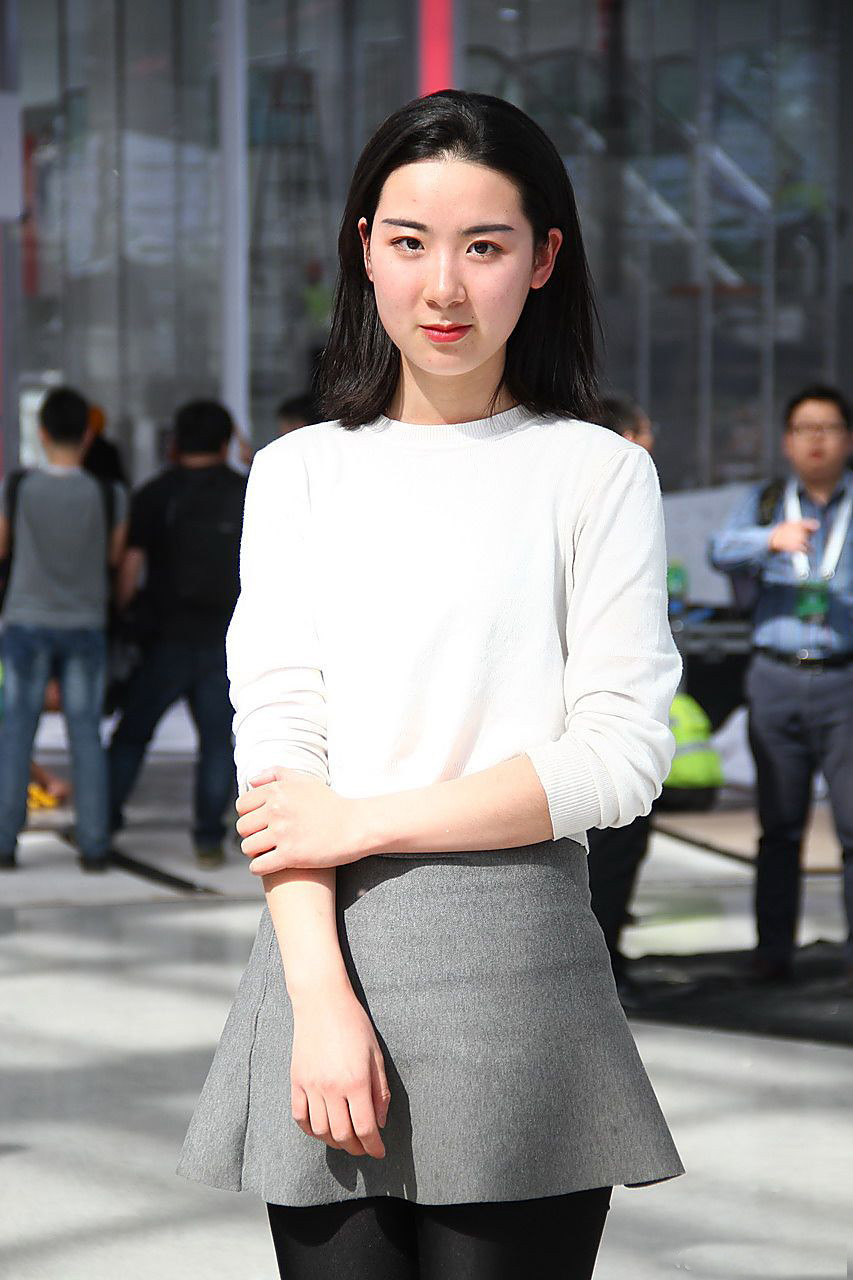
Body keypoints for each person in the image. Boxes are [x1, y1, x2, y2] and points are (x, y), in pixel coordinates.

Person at [178, 91, 683, 1278]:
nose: (443, 287)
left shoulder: (594, 472)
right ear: (364, 249)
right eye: (409, 242)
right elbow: (280, 742)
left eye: (483, 246)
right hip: (321, 950)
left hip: (521, 964)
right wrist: (318, 996)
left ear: (543, 258)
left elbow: (620, 755)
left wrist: (363, 821)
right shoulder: (298, 473)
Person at [709, 384, 853, 985]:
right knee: (779, 826)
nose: (816, 440)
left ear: (847, 439)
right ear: (787, 442)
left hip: (844, 679)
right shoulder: (768, 501)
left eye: (828, 428)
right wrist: (769, 539)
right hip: (775, 675)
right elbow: (719, 549)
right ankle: (772, 953)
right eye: (803, 429)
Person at [108, 400, 247, 869]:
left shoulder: (155, 493)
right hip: (223, 640)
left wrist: (123, 616)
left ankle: (104, 820)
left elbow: (130, 568)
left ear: (175, 442)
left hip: (164, 636)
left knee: (132, 735)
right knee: (216, 744)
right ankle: (208, 840)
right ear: (225, 442)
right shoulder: (245, 491)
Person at [0, 386, 127, 871]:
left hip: (26, 621)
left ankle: (4, 840)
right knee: (86, 734)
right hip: (86, 623)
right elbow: (114, 557)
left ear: (42, 432)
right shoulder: (109, 494)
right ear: (88, 435)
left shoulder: (18, 487)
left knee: (17, 731)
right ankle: (94, 845)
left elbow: (3, 545)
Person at [586, 393, 658, 1001]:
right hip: (589, 725)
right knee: (609, 842)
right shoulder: (618, 478)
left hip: (604, 722)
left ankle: (604, 954)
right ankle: (601, 960)